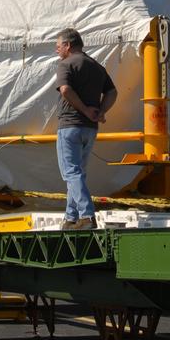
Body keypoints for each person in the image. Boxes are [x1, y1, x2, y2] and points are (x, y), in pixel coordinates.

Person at [53, 28, 117, 231]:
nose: (57, 50)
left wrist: (84, 109)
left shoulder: (66, 64)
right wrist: (99, 112)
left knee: (71, 173)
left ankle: (87, 215)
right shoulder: (96, 66)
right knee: (78, 174)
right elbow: (112, 92)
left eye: (59, 46)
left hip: (70, 126)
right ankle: (71, 218)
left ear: (68, 45)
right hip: (90, 129)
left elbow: (65, 90)